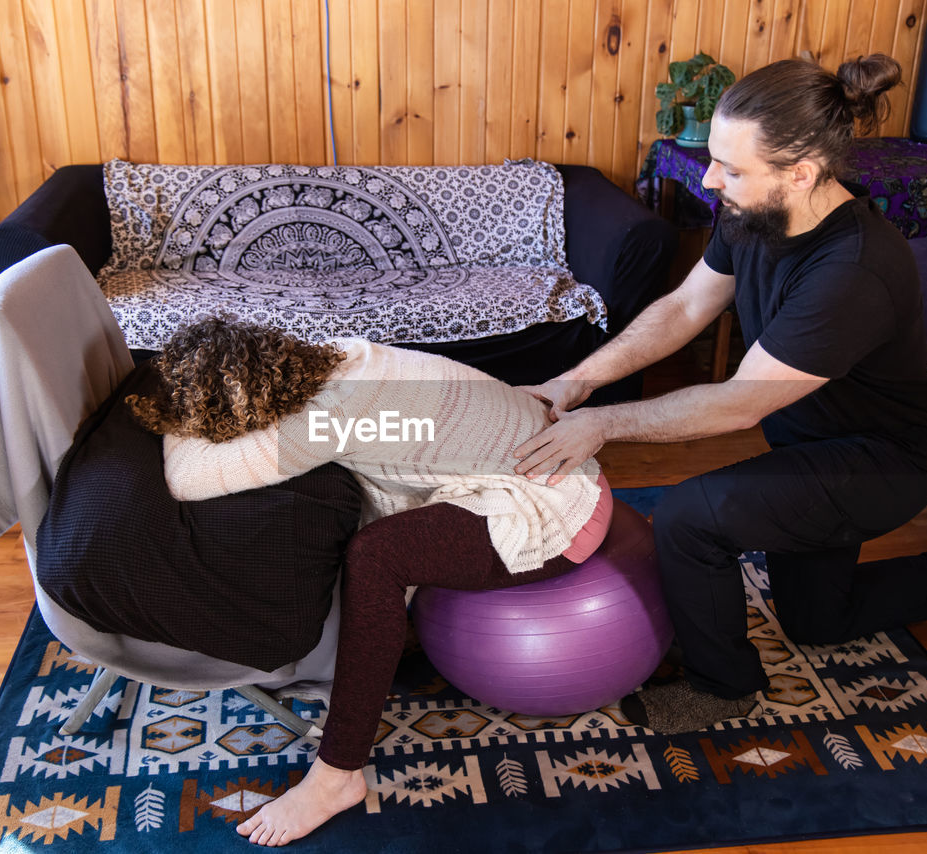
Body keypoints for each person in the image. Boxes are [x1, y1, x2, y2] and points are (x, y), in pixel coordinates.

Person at [513, 54, 927, 735]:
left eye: (733, 167)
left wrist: (600, 425)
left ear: (801, 173)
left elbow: (739, 404)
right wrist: (576, 382)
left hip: (879, 463)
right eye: (715, 159)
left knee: (692, 517)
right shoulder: (756, 212)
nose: (712, 179)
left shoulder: (854, 272)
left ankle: (722, 692)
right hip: (808, 441)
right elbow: (686, 307)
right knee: (817, 622)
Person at [129, 315, 612, 846]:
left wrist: (175, 417)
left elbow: (185, 479)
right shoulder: (331, 356)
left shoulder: (321, 421)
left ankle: (337, 776)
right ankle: (370, 658)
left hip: (558, 503)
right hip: (544, 462)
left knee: (377, 558)